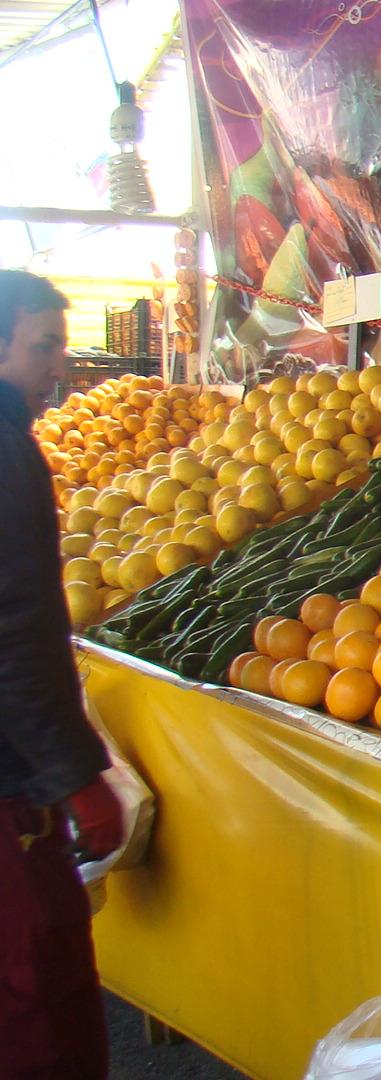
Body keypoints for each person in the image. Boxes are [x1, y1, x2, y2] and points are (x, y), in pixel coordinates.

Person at [0, 269, 121, 1079]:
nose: (61, 369)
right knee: (40, 1004)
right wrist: (74, 776)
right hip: (12, 790)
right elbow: (14, 634)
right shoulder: (4, 450)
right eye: (44, 349)